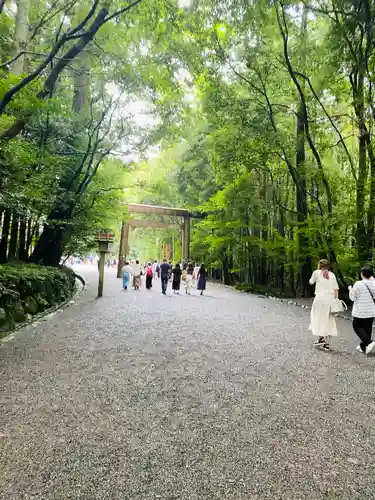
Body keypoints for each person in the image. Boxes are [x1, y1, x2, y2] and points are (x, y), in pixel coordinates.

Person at [309, 259, 339, 351]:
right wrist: (336, 301)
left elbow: (311, 282)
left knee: (317, 318)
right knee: (329, 320)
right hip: (330, 299)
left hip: (319, 299)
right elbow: (336, 289)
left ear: (319, 265)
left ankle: (321, 337)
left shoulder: (316, 273)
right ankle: (326, 343)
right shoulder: (332, 275)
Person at [349, 267, 375, 355]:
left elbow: (352, 298)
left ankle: (369, 342)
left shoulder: (358, 284)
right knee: (367, 329)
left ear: (362, 274)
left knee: (356, 326)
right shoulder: (374, 283)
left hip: (360, 312)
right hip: (371, 311)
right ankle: (363, 347)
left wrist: (350, 290)